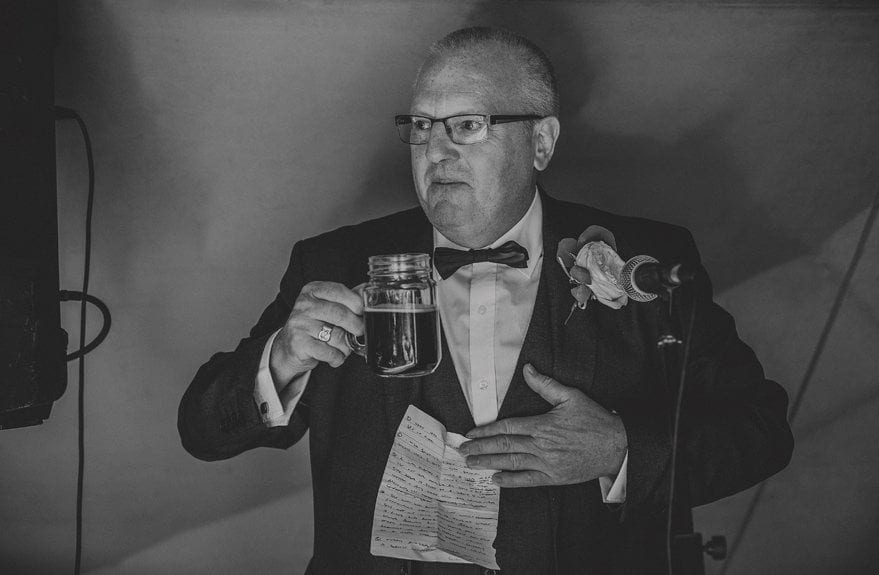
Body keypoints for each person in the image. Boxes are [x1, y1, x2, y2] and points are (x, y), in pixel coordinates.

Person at [178, 27, 793, 575]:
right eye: (420, 126)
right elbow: (202, 431)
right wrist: (281, 359)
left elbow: (761, 430)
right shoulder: (331, 264)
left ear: (541, 141)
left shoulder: (648, 260)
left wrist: (621, 449)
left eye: (468, 125)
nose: (436, 151)